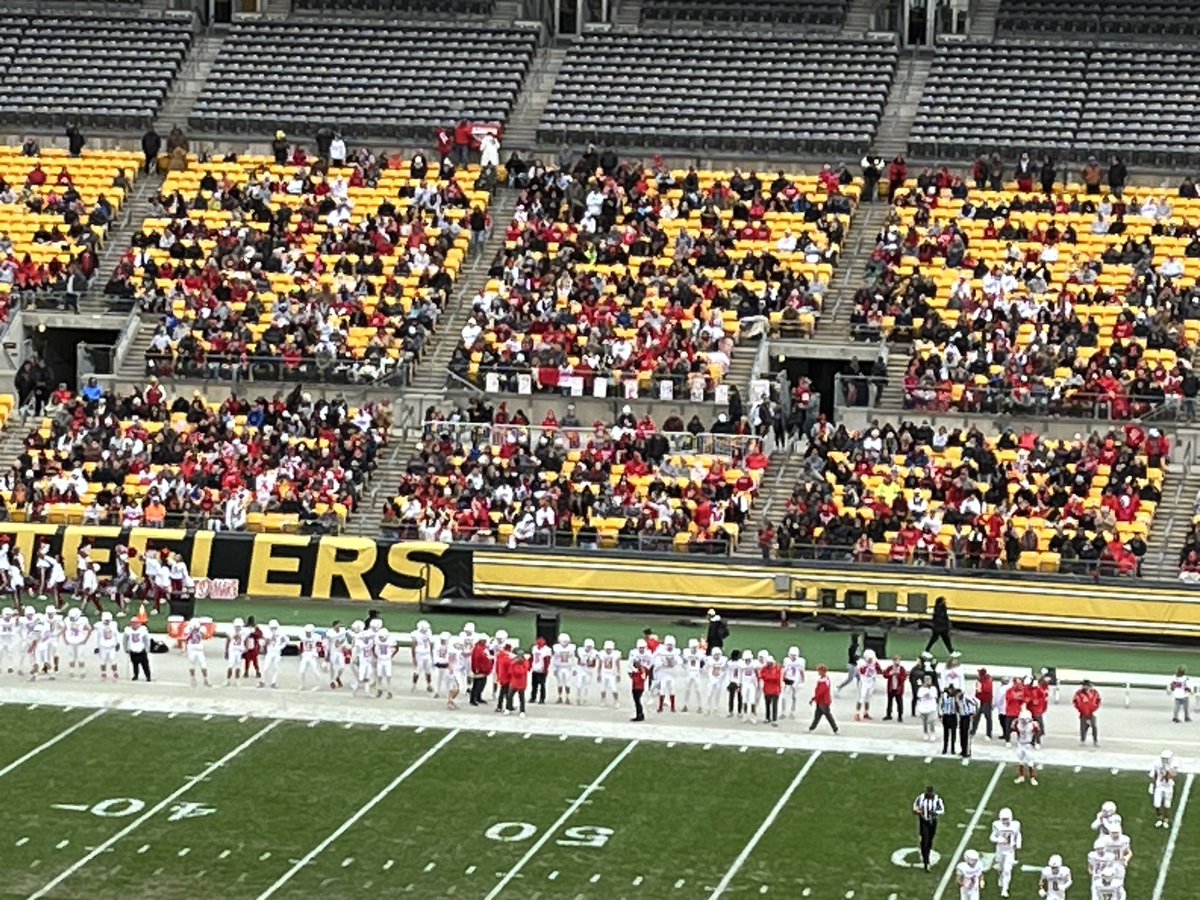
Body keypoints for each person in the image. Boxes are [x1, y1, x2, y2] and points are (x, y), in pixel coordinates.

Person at [989, 807, 1022, 898]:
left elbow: (1018, 834)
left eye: (1006, 819)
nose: (1005, 821)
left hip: (1010, 851)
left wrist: (1018, 843)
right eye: (1003, 819)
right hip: (1000, 850)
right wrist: (999, 840)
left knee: (1007, 870)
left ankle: (1005, 889)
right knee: (1000, 868)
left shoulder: (1015, 825)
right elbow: (992, 837)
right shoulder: (996, 825)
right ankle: (1001, 876)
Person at [913, 785, 945, 872]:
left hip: (932, 822)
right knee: (925, 840)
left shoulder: (937, 799)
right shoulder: (921, 798)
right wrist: (918, 811)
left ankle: (926, 854)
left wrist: (934, 812)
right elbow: (915, 807)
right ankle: (926, 862)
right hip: (923, 821)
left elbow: (942, 810)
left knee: (930, 840)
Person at [1012, 709, 1042, 785]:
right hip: (1020, 744)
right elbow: (1013, 728)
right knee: (1021, 761)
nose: (1023, 721)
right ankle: (1021, 776)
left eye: (1024, 719)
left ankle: (1032, 777)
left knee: (1030, 762)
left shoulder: (1033, 725)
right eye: (1022, 719)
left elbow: (1038, 732)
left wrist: (1035, 742)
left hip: (1028, 744)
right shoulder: (1017, 723)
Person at [1150, 749, 1178, 828]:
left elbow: (1173, 775)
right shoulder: (1157, 763)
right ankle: (1159, 818)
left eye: (1166, 758)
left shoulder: (1174, 763)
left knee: (1167, 804)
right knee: (1157, 804)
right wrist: (1152, 784)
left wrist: (1168, 769)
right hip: (1159, 785)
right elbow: (1154, 774)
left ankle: (1166, 819)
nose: (1165, 760)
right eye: (1164, 758)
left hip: (1168, 786)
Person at [808, 664, 838, 733]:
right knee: (818, 716)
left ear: (822, 671)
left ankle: (835, 728)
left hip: (823, 702)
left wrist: (813, 698)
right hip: (822, 701)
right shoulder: (825, 679)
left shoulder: (823, 681)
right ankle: (811, 728)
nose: (818, 672)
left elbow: (820, 692)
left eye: (819, 671)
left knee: (827, 715)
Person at [1074, 679, 1102, 746]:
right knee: (1083, 727)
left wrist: (1095, 708)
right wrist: (1080, 709)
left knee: (1094, 727)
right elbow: (1075, 702)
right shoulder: (1079, 693)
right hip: (1083, 713)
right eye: (1085, 685)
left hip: (1092, 712)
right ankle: (1083, 740)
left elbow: (1098, 700)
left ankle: (1095, 741)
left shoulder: (1095, 693)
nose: (1086, 687)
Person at [855, 647, 880, 720]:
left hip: (871, 682)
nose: (871, 660)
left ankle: (866, 713)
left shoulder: (874, 662)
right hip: (864, 682)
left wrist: (877, 665)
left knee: (867, 699)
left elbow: (879, 670)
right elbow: (862, 672)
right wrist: (867, 665)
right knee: (861, 698)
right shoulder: (862, 662)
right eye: (869, 659)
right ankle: (857, 713)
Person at [184, 617, 210, 688]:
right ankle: (193, 679)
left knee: (203, 665)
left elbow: (205, 636)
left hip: (199, 650)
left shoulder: (201, 629)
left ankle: (205, 679)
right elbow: (185, 638)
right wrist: (191, 632)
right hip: (192, 649)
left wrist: (198, 632)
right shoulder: (188, 629)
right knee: (192, 665)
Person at [410, 619, 434, 693]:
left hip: (427, 654)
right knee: (418, 670)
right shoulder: (415, 634)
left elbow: (430, 643)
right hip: (419, 654)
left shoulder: (429, 632)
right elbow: (413, 646)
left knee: (428, 670)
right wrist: (414, 657)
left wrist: (431, 653)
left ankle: (429, 685)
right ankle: (414, 685)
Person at [95, 611, 120, 681]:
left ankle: (115, 672)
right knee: (103, 661)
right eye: (106, 620)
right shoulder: (99, 626)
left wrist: (118, 643)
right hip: (102, 646)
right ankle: (103, 673)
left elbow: (116, 634)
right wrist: (96, 646)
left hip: (111, 646)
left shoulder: (114, 625)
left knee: (113, 660)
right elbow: (97, 636)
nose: (107, 622)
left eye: (108, 620)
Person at [553, 633, 577, 703]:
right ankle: (560, 697)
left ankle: (567, 697)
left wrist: (574, 668)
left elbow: (573, 659)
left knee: (568, 683)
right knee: (559, 683)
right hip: (559, 667)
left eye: (566, 641)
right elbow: (555, 659)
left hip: (568, 667)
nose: (565, 643)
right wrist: (554, 668)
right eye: (564, 641)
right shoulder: (557, 648)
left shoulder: (571, 648)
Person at [297, 624, 321, 691]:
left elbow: (320, 646)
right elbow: (301, 645)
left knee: (315, 671)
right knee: (301, 671)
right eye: (306, 632)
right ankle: (302, 684)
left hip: (312, 656)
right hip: (305, 655)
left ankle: (318, 685)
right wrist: (300, 654)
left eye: (309, 632)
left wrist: (318, 654)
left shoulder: (316, 637)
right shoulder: (302, 636)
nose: (307, 633)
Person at [972, 668, 994, 740]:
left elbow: (986, 690)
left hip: (986, 702)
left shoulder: (987, 680)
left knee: (988, 718)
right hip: (980, 701)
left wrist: (979, 687)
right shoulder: (980, 680)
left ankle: (989, 734)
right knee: (976, 717)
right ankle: (973, 731)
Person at [883, 654, 907, 721]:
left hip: (898, 689)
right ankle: (888, 715)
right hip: (891, 688)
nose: (896, 662)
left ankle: (900, 716)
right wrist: (891, 673)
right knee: (889, 702)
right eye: (895, 660)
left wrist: (898, 675)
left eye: (898, 660)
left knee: (899, 703)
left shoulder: (901, 669)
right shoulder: (890, 668)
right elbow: (885, 675)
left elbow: (904, 677)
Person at [760, 655, 782, 726]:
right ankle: (767, 717)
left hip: (775, 689)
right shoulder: (764, 669)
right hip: (767, 689)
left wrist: (770, 678)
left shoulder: (777, 668)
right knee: (767, 704)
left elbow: (777, 678)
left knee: (775, 705)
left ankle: (774, 719)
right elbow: (763, 677)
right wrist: (771, 678)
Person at [469, 637, 491, 706]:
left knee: (481, 684)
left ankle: (478, 697)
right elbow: (476, 659)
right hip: (479, 670)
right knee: (477, 685)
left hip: (483, 669)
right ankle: (473, 699)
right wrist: (477, 668)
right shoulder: (478, 649)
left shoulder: (482, 648)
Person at [506, 650, 529, 716]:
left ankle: (522, 711)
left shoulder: (525, 663)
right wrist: (514, 663)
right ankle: (508, 708)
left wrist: (517, 665)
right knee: (510, 696)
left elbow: (522, 672)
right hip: (514, 682)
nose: (519, 658)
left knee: (521, 697)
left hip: (521, 682)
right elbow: (510, 671)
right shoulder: (513, 663)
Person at [916, 675, 939, 742]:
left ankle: (932, 733)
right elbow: (919, 695)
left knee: (931, 721)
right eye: (926, 680)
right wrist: (925, 690)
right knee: (925, 722)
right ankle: (925, 733)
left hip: (931, 707)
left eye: (929, 680)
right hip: (923, 708)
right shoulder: (921, 689)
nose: (928, 681)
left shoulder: (933, 688)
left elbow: (933, 695)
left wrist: (928, 690)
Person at [530, 635, 551, 704]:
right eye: (538, 640)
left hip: (542, 670)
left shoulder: (547, 649)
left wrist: (545, 669)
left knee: (542, 685)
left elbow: (547, 660)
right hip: (535, 669)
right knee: (534, 685)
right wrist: (530, 667)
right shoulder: (534, 648)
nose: (539, 641)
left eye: (541, 640)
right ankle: (533, 698)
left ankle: (542, 699)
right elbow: (532, 658)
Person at [225, 618, 246, 686]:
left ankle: (237, 680)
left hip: (239, 651)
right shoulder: (231, 632)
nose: (238, 628)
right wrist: (226, 651)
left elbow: (245, 641)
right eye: (236, 626)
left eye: (239, 627)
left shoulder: (243, 633)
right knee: (230, 665)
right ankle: (228, 680)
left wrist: (245, 648)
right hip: (232, 650)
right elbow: (228, 641)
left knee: (238, 667)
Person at [958, 689, 977, 758]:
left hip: (967, 716)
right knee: (962, 734)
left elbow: (975, 703)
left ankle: (967, 752)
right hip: (962, 717)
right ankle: (963, 750)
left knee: (966, 734)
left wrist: (973, 712)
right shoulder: (958, 699)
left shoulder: (966, 698)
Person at [941, 687, 959, 755]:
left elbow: (957, 707)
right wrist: (941, 714)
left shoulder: (955, 698)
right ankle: (945, 748)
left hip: (953, 716)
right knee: (946, 734)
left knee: (953, 734)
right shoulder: (945, 697)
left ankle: (953, 749)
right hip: (946, 715)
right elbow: (942, 705)